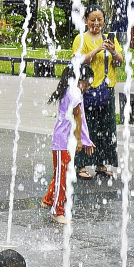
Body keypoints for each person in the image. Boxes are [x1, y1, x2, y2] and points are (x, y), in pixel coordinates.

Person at [72, 6, 123, 178]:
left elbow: (120, 61)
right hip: (88, 89)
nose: (96, 23)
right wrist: (97, 50)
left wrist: (113, 51)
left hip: (107, 89)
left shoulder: (110, 39)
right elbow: (77, 60)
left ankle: (101, 164)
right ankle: (81, 165)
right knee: (86, 127)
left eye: (99, 19)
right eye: (92, 19)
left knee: (106, 128)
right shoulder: (81, 39)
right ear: (85, 20)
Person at [43, 63, 94, 224]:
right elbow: (79, 118)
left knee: (60, 173)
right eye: (86, 84)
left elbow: (80, 119)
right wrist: (80, 140)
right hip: (63, 142)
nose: (86, 88)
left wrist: (86, 140)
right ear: (79, 80)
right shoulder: (74, 93)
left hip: (64, 141)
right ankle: (57, 212)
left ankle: (48, 200)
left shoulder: (71, 90)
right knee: (62, 177)